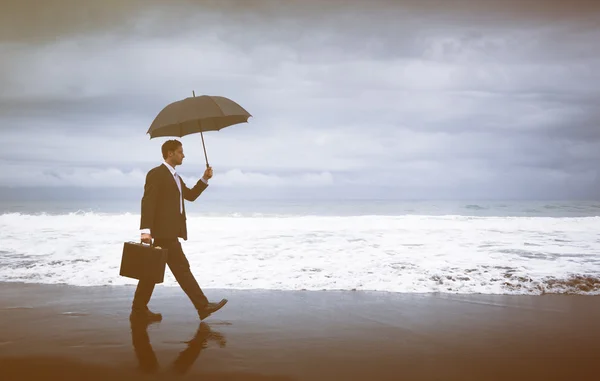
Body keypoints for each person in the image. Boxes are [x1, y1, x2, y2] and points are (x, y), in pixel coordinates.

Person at [131, 139, 227, 322]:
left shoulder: (176, 177)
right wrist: (145, 230)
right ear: (170, 153)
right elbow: (148, 202)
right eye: (180, 152)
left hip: (169, 232)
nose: (183, 155)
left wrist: (204, 178)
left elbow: (190, 196)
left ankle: (138, 310)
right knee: (181, 269)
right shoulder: (156, 174)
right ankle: (202, 306)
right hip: (162, 233)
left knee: (151, 273)